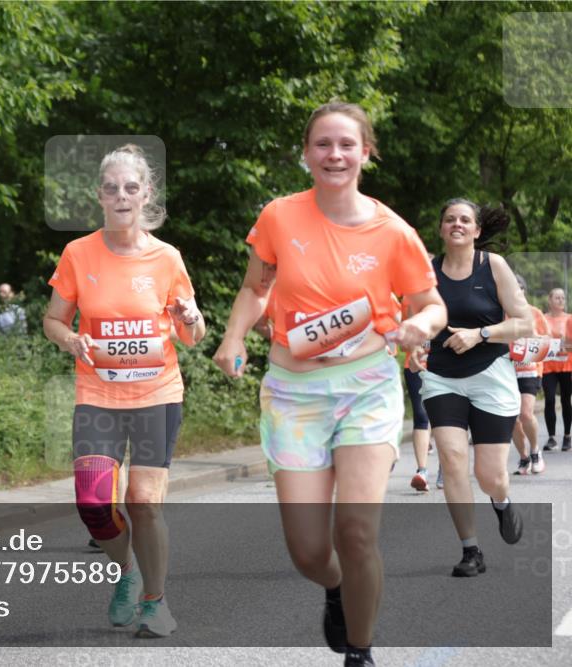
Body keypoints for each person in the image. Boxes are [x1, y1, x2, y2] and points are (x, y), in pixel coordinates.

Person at [213, 101, 446, 667]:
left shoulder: (394, 232)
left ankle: (360, 653)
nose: (334, 154)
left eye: (347, 144)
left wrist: (419, 324)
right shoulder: (278, 217)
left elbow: (431, 304)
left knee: (357, 531)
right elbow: (255, 286)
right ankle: (336, 587)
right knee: (310, 551)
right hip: (294, 394)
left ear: (366, 152)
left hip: (366, 386)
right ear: (306, 153)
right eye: (323, 144)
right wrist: (234, 337)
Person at [43, 144, 205, 638]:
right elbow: (53, 319)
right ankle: (127, 574)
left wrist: (192, 319)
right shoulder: (78, 254)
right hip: (98, 395)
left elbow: (192, 335)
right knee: (93, 503)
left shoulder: (167, 258)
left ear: (145, 193)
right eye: (111, 188)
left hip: (157, 394)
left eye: (131, 187)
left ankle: (156, 602)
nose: (121, 195)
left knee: (143, 500)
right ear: (99, 196)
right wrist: (71, 337)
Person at [419, 199, 533, 579]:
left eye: (465, 220)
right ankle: (471, 550)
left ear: (477, 230)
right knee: (452, 459)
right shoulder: (426, 272)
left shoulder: (492, 266)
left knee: (490, 476)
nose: (457, 224)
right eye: (449, 218)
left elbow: (524, 323)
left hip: (490, 374)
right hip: (441, 377)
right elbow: (413, 318)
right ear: (440, 228)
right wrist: (415, 341)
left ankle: (500, 502)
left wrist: (480, 334)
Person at [509, 274, 550, 474]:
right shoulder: (502, 314)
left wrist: (531, 340)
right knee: (512, 419)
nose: (515, 292)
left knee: (525, 413)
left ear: (524, 290)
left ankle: (535, 451)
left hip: (529, 368)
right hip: (507, 371)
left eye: (519, 288)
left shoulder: (535, 313)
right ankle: (524, 457)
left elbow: (546, 340)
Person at [402, 295, 433, 491]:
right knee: (421, 416)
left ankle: (447, 469)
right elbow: (403, 342)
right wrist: (415, 345)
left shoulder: (446, 290)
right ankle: (422, 471)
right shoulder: (407, 299)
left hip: (444, 366)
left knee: (445, 417)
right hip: (415, 365)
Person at [541, 287, 571, 451]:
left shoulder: (570, 319)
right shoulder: (543, 319)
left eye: (563, 298)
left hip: (567, 365)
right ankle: (551, 437)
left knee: (566, 400)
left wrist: (566, 346)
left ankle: (567, 436)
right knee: (550, 399)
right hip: (548, 366)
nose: (561, 300)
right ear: (550, 300)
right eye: (557, 297)